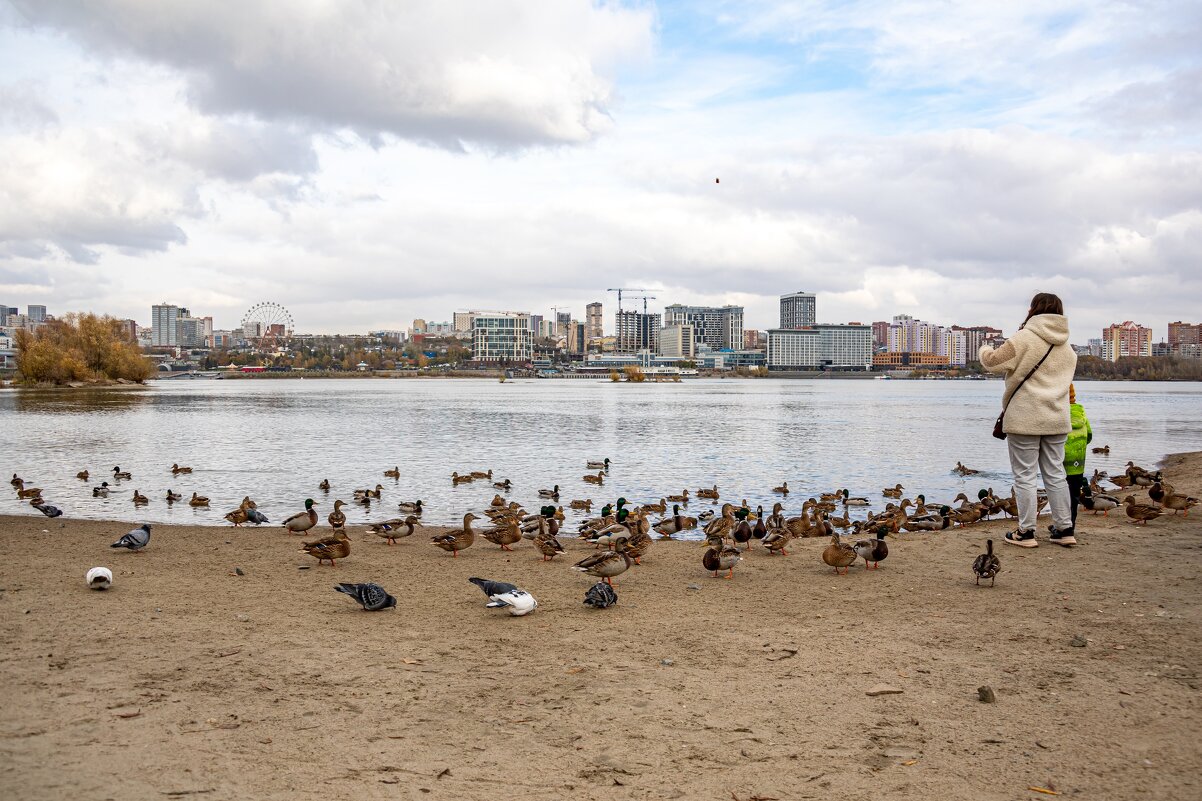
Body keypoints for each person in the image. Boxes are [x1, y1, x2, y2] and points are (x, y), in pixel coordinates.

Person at [979, 292, 1078, 547]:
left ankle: (1026, 532)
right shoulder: (1068, 349)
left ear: (1033, 309)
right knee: (1056, 473)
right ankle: (1065, 529)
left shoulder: (1023, 339)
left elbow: (992, 363)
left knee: (1025, 476)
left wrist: (984, 347)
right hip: (1057, 418)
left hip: (1025, 418)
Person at [1063, 383, 1092, 531]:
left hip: (1062, 463)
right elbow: (1089, 436)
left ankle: (1062, 526)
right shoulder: (1081, 413)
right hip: (1079, 463)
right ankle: (1071, 526)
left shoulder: (1060, 413)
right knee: (1074, 495)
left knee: (1061, 494)